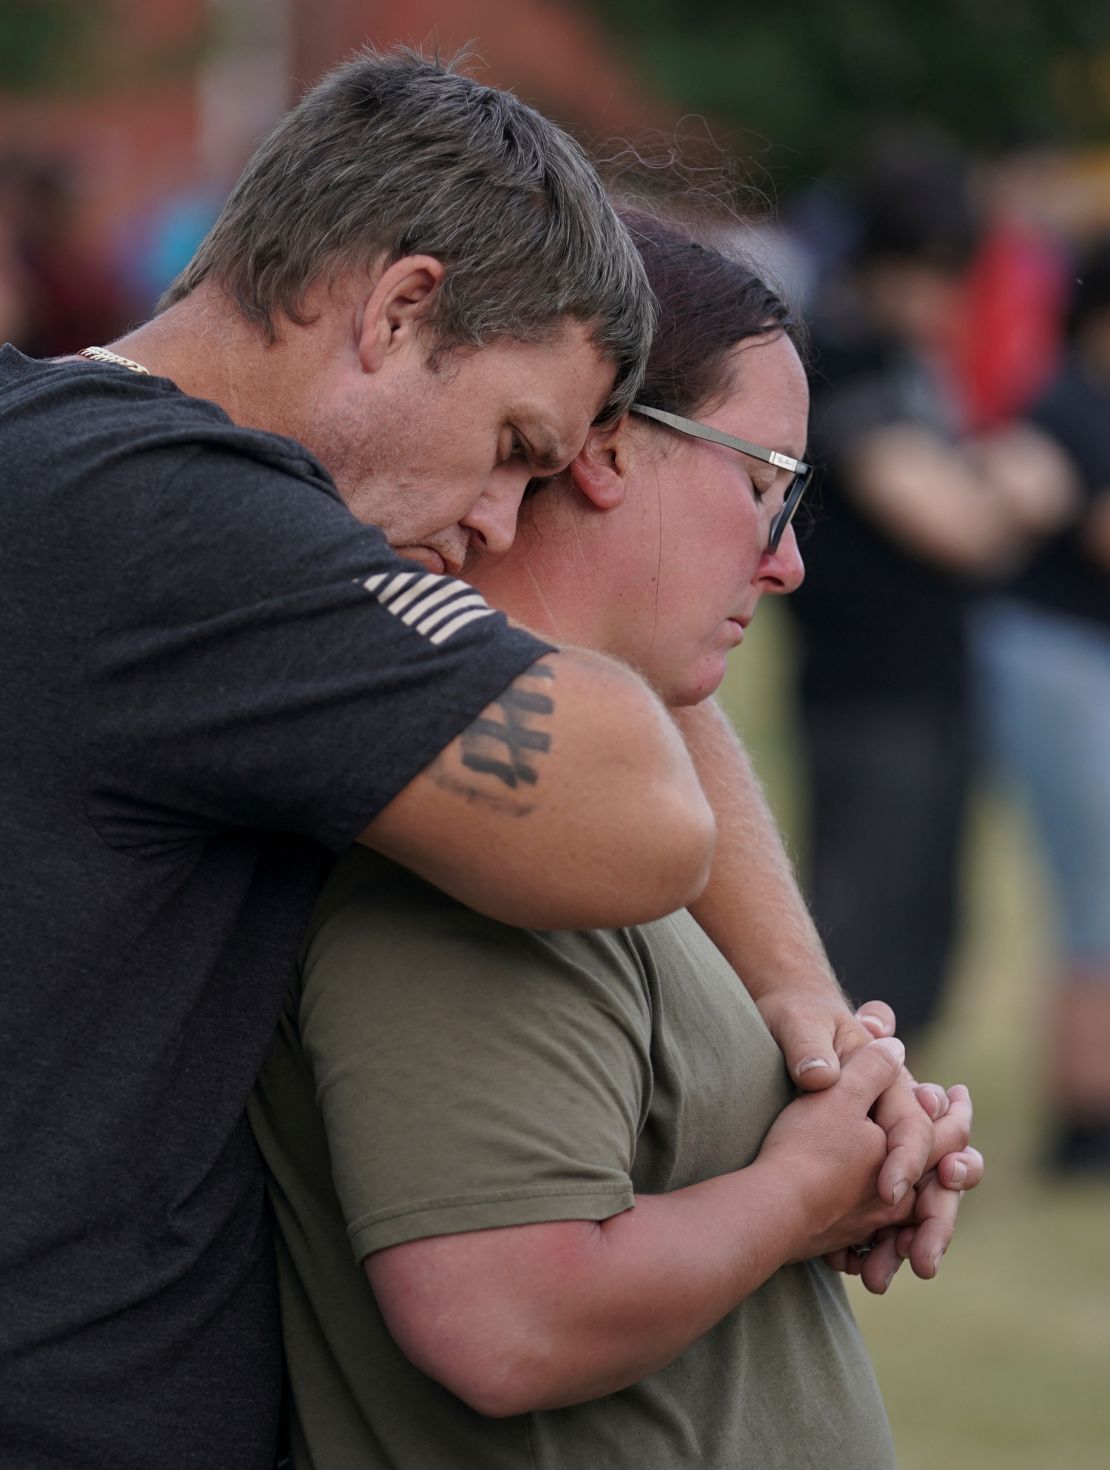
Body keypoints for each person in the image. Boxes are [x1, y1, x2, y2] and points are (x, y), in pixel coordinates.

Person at [0, 51, 720, 1470]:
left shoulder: (49, 454)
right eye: (516, 447)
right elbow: (633, 819)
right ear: (400, 308)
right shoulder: (177, 523)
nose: (503, 526)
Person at [250, 212, 983, 1470]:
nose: (788, 558)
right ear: (603, 443)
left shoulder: (581, 798)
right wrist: (803, 1189)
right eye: (767, 485)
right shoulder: (492, 846)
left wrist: (847, 1112)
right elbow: (502, 1318)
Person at [786, 145, 1073, 1039]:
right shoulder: (838, 353)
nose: (949, 304)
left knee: (932, 925)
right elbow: (953, 522)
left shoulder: (912, 360)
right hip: (865, 690)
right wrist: (1020, 488)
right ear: (890, 262)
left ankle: (896, 1120)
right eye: (937, 277)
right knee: (864, 930)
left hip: (934, 680)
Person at [975, 236, 1110, 1173]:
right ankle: (1083, 1125)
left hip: (1073, 658)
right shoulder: (1068, 406)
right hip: (1054, 661)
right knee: (1095, 891)